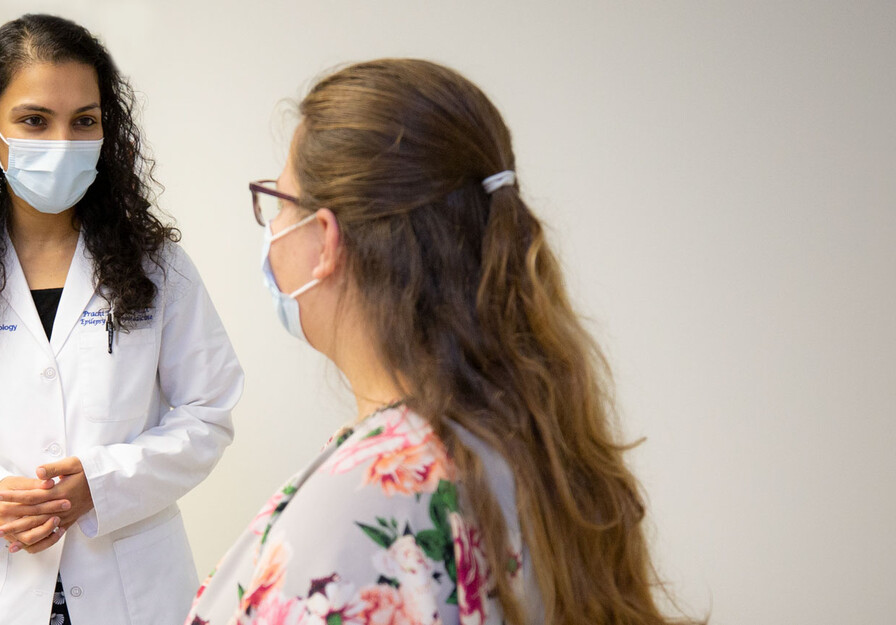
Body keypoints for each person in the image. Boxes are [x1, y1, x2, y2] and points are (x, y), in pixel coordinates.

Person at [188, 59, 696, 625]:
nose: (273, 230)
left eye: (279, 201)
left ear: (325, 239)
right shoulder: (523, 445)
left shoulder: (361, 509)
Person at [0, 14, 242, 625]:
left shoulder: (159, 267)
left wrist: (104, 482)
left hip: (132, 588)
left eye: (84, 121)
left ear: (106, 132)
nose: (62, 144)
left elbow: (208, 412)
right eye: (35, 121)